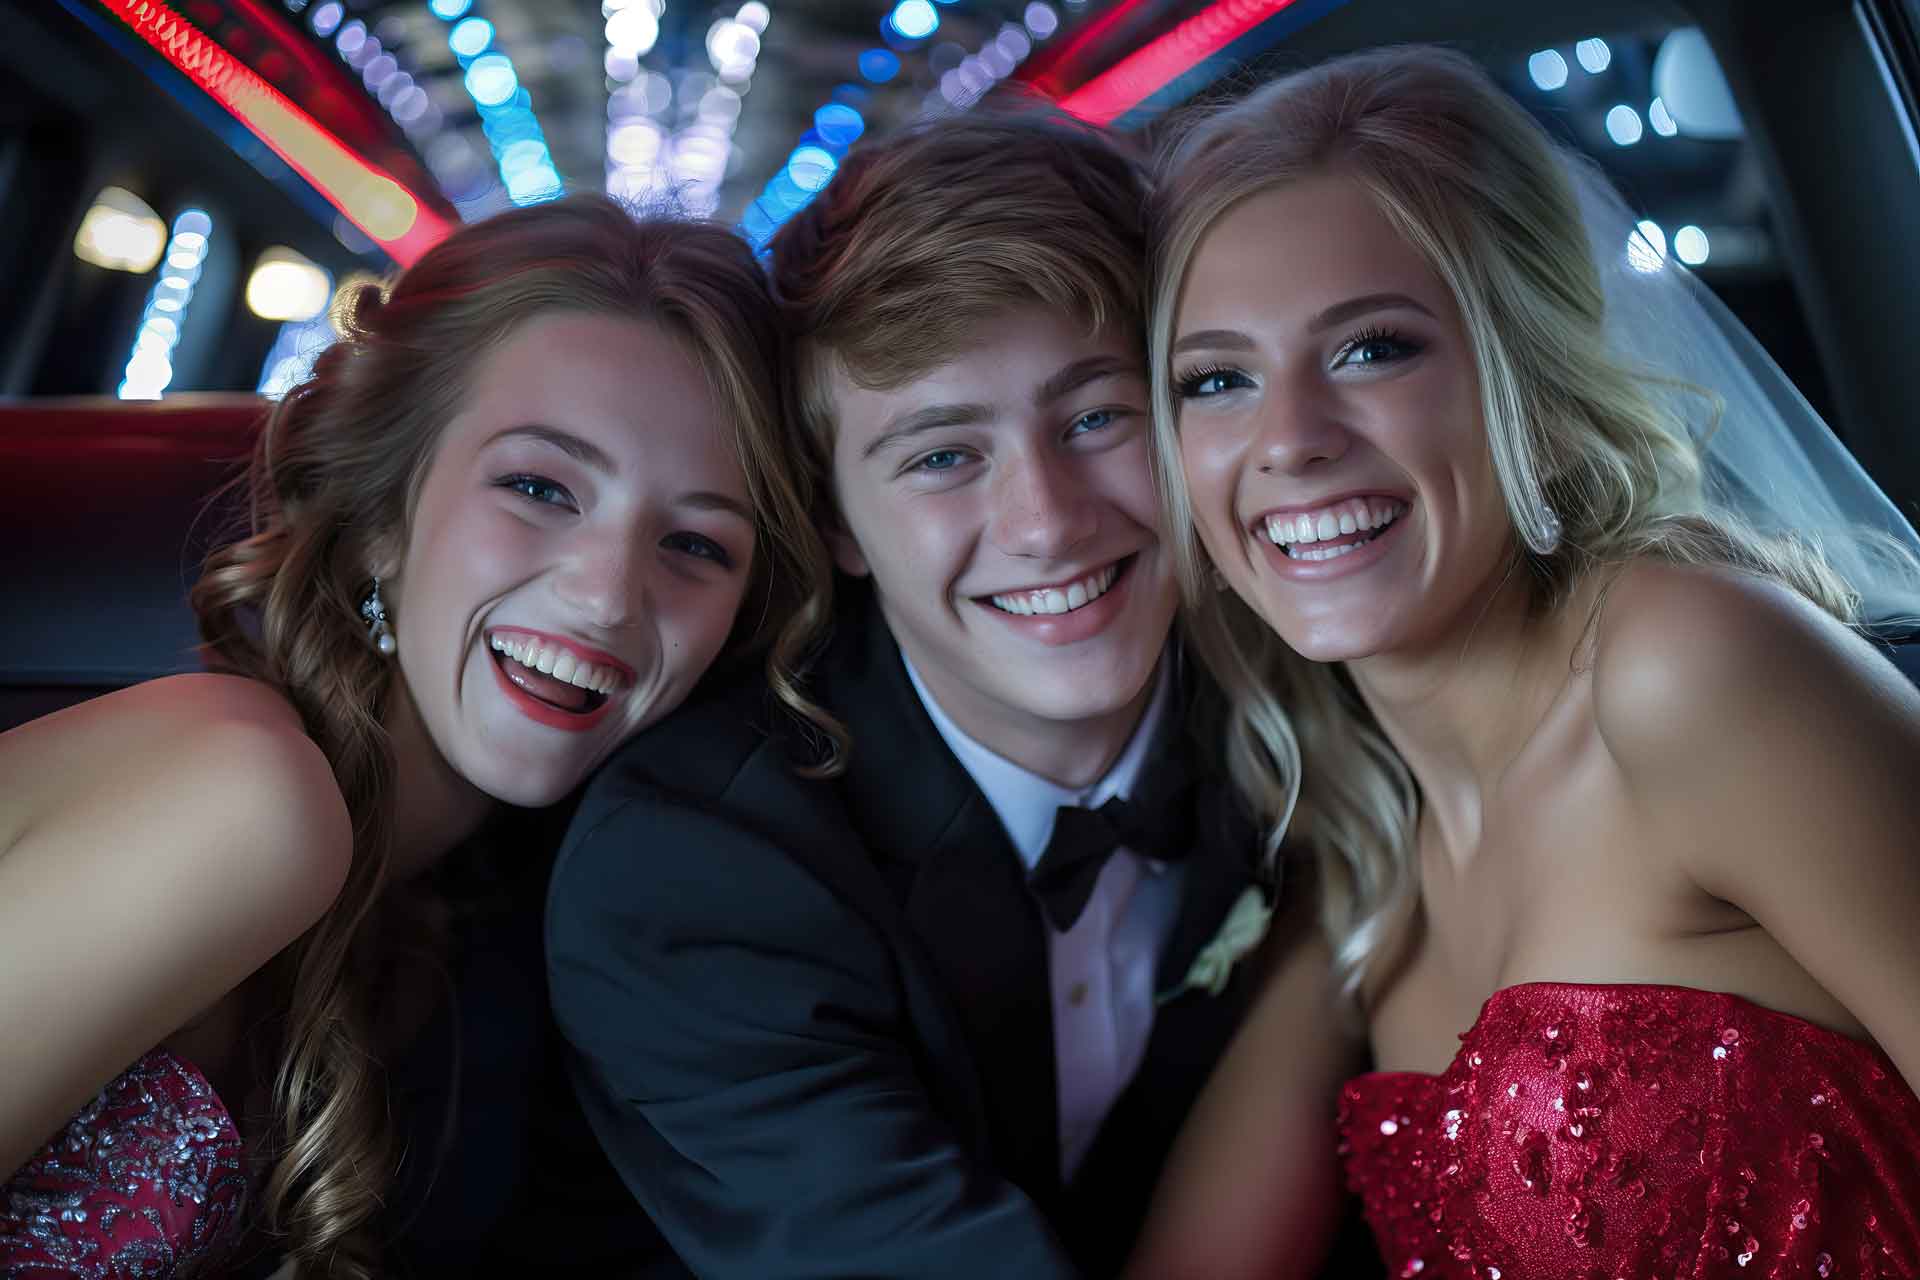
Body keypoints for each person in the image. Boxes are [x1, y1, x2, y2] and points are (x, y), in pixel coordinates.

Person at [1125, 45, 1920, 1279]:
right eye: (1217, 378)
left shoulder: (1685, 668)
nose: (1289, 441)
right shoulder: (1368, 858)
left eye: (1372, 349)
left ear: (1531, 383)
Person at [544, 112, 1320, 1279]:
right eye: (943, 455)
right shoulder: (693, 865)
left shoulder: (1319, 716)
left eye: (1097, 417)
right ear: (834, 524)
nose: (1049, 520)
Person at [0, 193, 828, 1278]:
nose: (606, 598)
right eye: (538, 487)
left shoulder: (486, 939)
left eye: (695, 543)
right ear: (384, 516)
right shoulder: (239, 788)